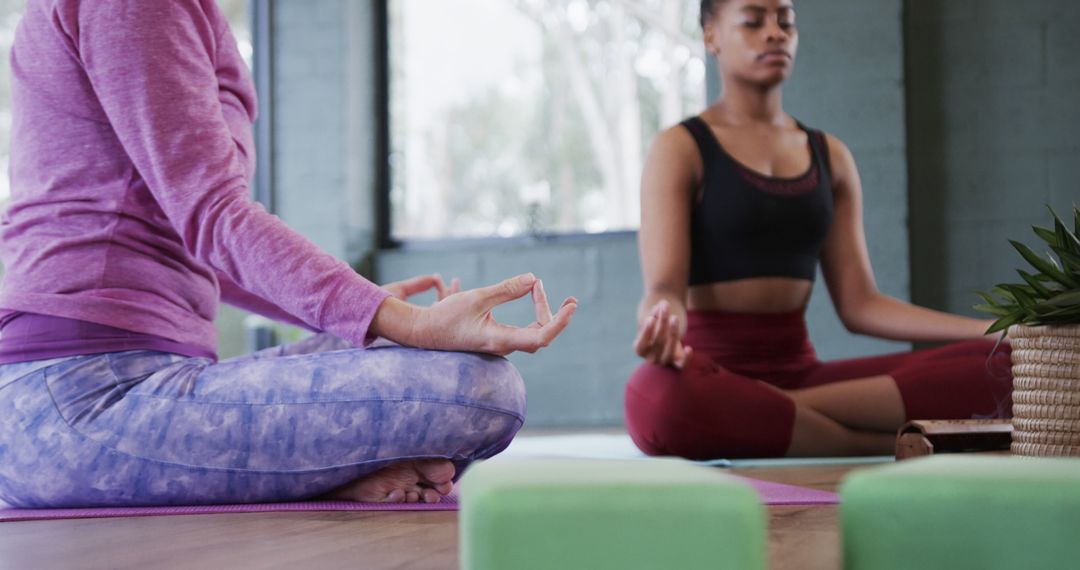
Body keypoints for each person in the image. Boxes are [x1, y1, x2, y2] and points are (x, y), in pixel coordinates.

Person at [0, 0, 576, 508]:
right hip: (77, 398)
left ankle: (316, 477)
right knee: (482, 393)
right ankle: (314, 478)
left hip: (136, 379)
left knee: (398, 353)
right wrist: (411, 322)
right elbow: (215, 215)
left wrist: (373, 316)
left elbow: (193, 234)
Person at [624, 0, 1011, 460]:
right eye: (753, 21)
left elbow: (861, 305)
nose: (774, 33)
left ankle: (770, 417)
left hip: (803, 377)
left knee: (1010, 368)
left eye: (785, 21)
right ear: (711, 36)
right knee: (655, 397)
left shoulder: (832, 156)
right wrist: (659, 320)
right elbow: (664, 288)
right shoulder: (679, 148)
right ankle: (872, 440)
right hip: (707, 376)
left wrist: (995, 330)